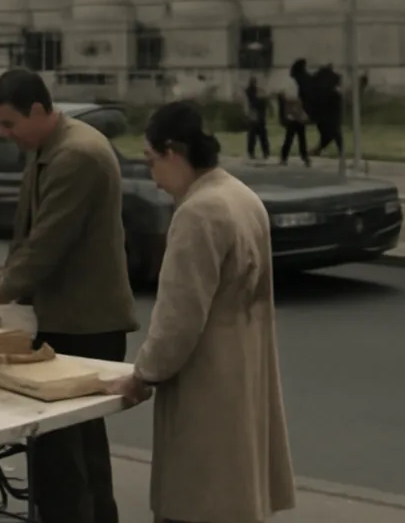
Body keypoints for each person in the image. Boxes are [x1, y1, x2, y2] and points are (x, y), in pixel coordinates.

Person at [0, 68, 138, 523]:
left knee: (63, 448)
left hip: (86, 323)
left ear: (39, 110)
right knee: (76, 443)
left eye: (10, 124)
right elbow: (34, 235)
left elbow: (49, 241)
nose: (4, 134)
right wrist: (6, 273)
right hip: (70, 317)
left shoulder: (76, 154)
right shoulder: (50, 146)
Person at [111, 101, 296, 523]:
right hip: (244, 373)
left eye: (151, 161)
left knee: (198, 500)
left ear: (173, 152)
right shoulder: (241, 196)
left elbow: (178, 317)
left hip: (206, 387)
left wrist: (142, 374)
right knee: (236, 496)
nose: (153, 178)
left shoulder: (198, 213)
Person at [276, 90, 310, 167]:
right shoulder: (289, 101)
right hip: (294, 121)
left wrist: (303, 116)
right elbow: (288, 111)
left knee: (301, 140)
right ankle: (284, 158)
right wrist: (290, 116)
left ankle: (304, 157)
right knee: (290, 139)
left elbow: (300, 110)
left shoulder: (297, 100)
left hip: (299, 121)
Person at [244, 76, 270, 160]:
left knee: (254, 135)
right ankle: (265, 152)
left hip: (255, 115)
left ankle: (253, 152)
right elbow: (263, 103)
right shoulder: (256, 92)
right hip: (257, 115)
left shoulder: (250, 91)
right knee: (260, 135)